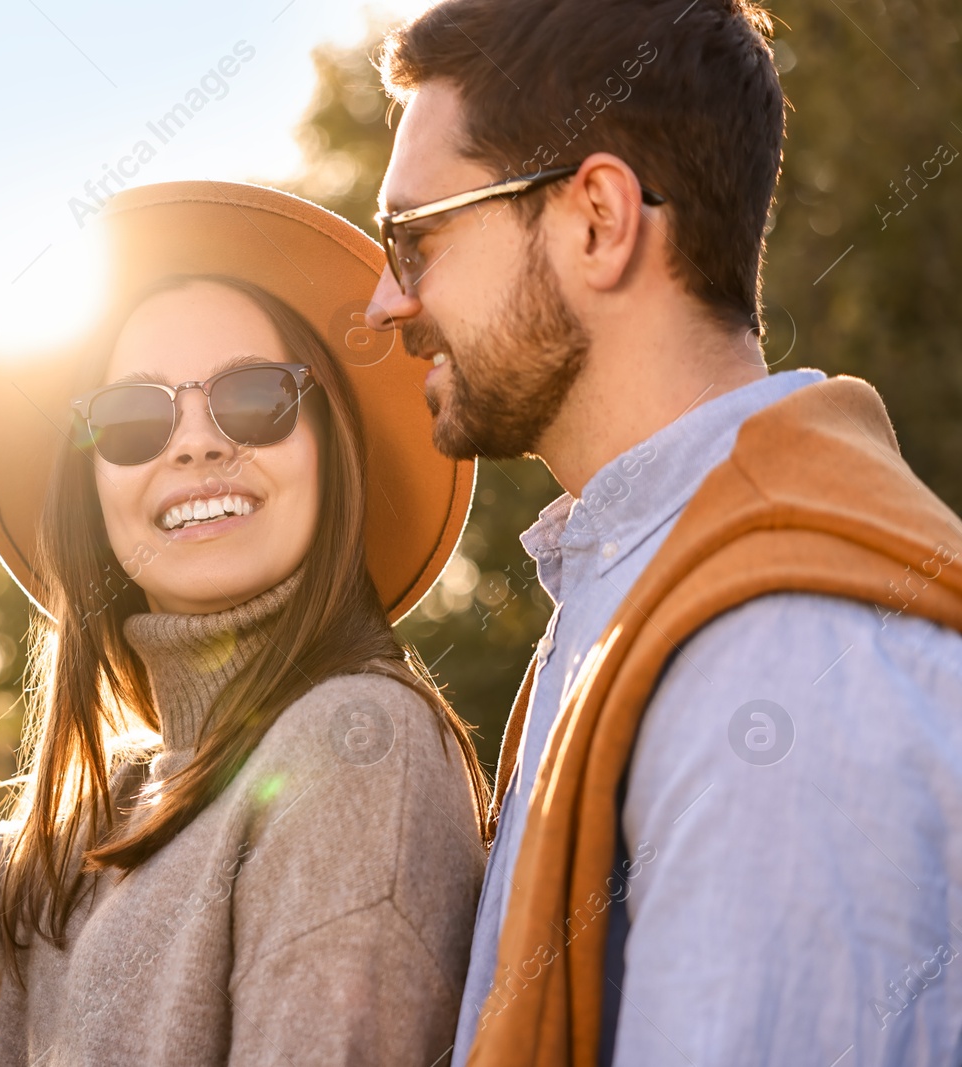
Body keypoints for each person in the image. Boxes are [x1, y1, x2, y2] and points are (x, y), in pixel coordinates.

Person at [0, 181, 491, 1065]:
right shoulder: (106, 819)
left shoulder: (358, 741)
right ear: (93, 490)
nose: (196, 442)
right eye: (133, 417)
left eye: (253, 397)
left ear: (329, 442)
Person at [364, 0, 962, 1064]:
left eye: (413, 239)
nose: (382, 300)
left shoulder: (781, 663)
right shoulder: (634, 592)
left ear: (596, 218)